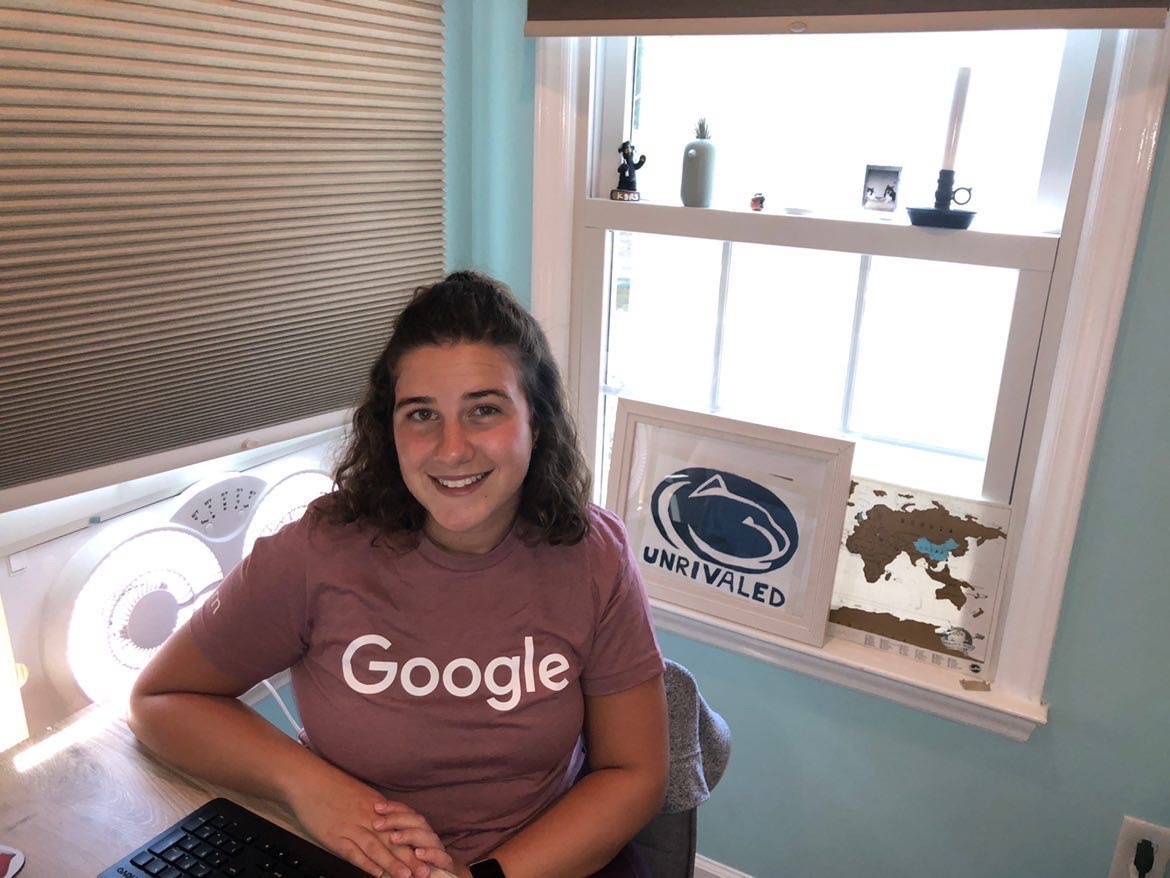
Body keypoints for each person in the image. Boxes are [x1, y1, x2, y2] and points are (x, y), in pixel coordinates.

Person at [128, 271, 669, 878]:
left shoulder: (593, 556)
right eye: (421, 415)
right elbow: (160, 700)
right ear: (390, 429)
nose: (452, 449)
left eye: (484, 410)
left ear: (535, 423)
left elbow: (636, 773)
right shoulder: (316, 552)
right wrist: (307, 784)